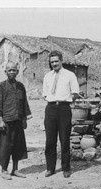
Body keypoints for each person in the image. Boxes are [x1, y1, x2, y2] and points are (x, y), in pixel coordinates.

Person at [43, 50, 81, 178]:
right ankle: (50, 168)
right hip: (51, 109)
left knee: (64, 140)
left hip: (64, 109)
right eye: (52, 62)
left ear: (61, 61)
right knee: (50, 141)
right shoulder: (47, 76)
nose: (54, 64)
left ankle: (66, 168)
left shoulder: (70, 75)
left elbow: (75, 93)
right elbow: (45, 94)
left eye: (56, 61)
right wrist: (53, 103)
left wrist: (65, 101)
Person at [0, 61, 31, 180]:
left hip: (18, 120)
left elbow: (24, 103)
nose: (12, 72)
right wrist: (0, 120)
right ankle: (4, 170)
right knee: (5, 147)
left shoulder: (21, 87)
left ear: (17, 72)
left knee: (18, 146)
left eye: (14, 70)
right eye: (10, 70)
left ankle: (15, 169)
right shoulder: (1, 87)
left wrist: (25, 119)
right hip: (6, 122)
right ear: (6, 72)